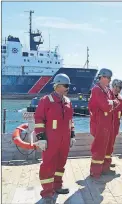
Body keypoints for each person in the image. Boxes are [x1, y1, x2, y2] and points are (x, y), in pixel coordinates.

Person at [34, 73, 76, 204]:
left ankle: (57, 186)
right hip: (51, 140)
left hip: (64, 140)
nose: (68, 88)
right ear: (57, 86)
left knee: (60, 164)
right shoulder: (46, 100)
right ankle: (47, 193)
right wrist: (41, 138)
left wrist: (72, 135)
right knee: (48, 165)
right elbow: (39, 119)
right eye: (66, 86)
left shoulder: (68, 101)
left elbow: (71, 121)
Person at [88, 68, 119, 179]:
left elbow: (114, 102)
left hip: (107, 124)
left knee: (108, 147)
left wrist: (112, 102)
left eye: (110, 78)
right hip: (100, 124)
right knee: (99, 148)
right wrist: (112, 103)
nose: (110, 80)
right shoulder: (97, 90)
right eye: (108, 78)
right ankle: (95, 172)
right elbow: (106, 106)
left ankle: (105, 169)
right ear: (102, 77)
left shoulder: (106, 90)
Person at [106, 79, 122, 168]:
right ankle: (102, 163)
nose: (118, 89)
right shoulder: (107, 96)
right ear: (113, 86)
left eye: (120, 87)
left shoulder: (121, 99)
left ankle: (108, 161)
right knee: (105, 144)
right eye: (117, 87)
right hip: (106, 126)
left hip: (115, 126)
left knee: (111, 144)